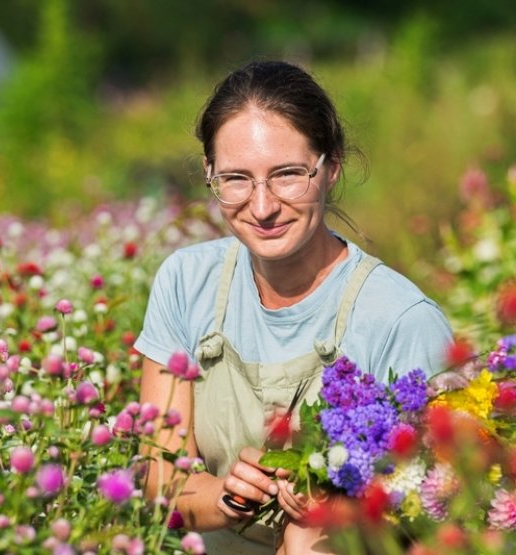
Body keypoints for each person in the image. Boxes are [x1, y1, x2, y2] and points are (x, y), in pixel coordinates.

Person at [135, 59, 453, 554]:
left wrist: (342, 511)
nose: (262, 207)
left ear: (331, 169)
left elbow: (439, 516)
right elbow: (159, 479)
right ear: (209, 174)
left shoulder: (400, 320)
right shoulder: (186, 281)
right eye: (236, 179)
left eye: (287, 175)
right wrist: (227, 495)